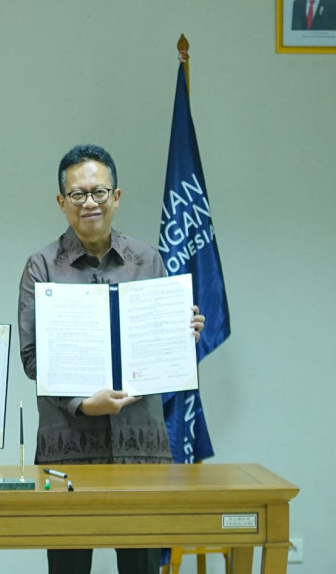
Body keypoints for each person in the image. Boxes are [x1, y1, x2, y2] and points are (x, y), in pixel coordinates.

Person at [18, 144, 205, 574]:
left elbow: (160, 345)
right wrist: (83, 404)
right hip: (67, 448)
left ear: (116, 197)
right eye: (78, 194)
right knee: (68, 566)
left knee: (142, 565)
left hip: (141, 445)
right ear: (61, 202)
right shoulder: (41, 266)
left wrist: (182, 333)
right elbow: (32, 357)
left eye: (99, 192)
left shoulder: (148, 259)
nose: (90, 202)